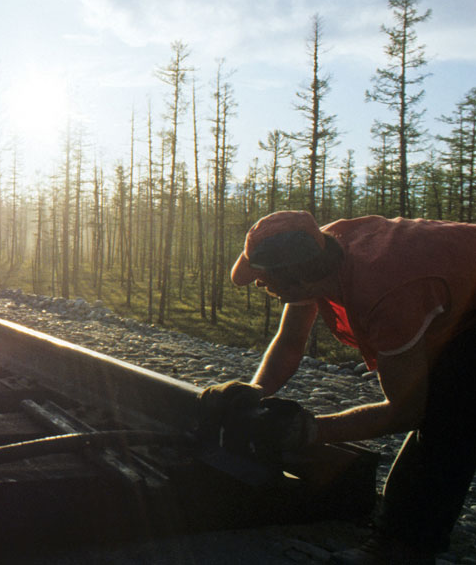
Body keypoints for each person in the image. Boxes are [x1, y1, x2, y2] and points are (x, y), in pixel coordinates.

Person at [200, 210, 476, 563]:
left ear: (296, 279)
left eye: (262, 276)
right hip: (456, 290)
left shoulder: (385, 292)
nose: (257, 283)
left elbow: (406, 410)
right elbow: (290, 341)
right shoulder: (316, 252)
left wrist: (312, 430)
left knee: (450, 414)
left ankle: (402, 549)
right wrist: (255, 389)